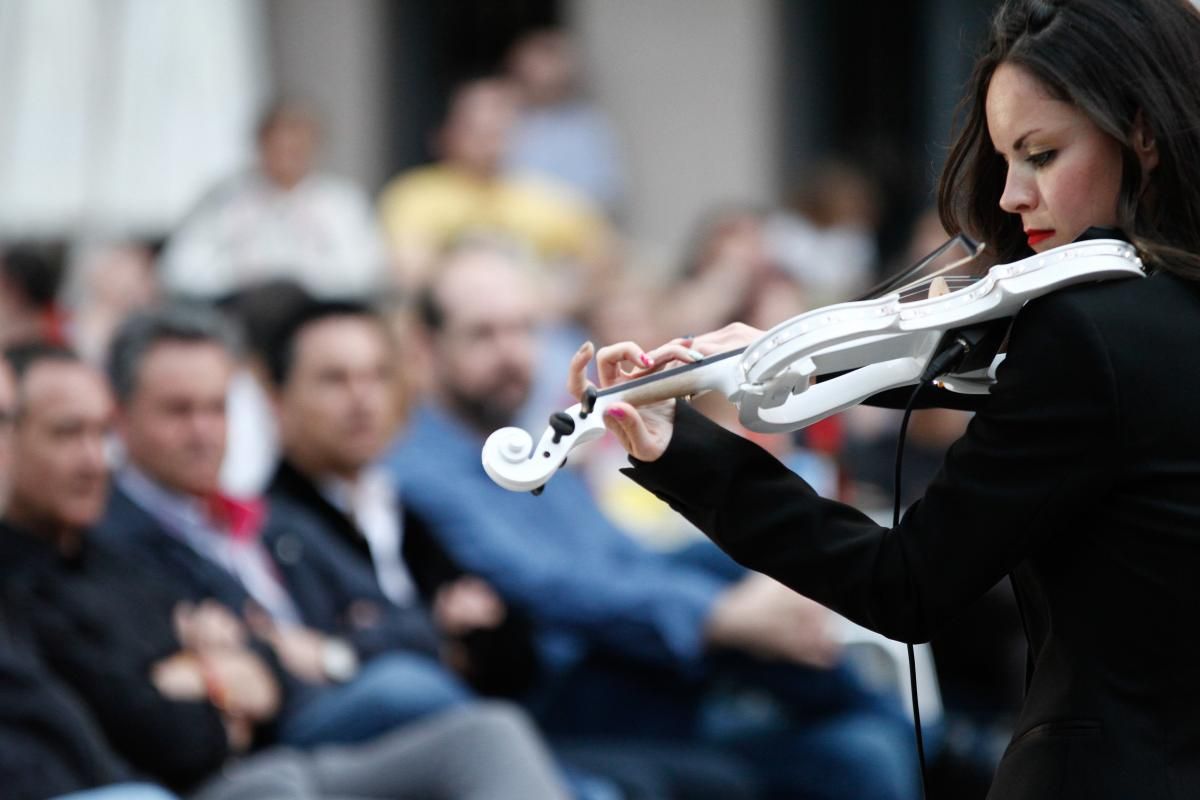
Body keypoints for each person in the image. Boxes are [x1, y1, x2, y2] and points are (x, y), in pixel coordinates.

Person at [574, 1, 1200, 797]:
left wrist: (681, 449)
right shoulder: (1144, 325)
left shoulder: (1085, 331)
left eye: (1040, 154)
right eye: (1006, 157)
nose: (1010, 194)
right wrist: (782, 361)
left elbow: (905, 583)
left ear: (1141, 132)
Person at [387, 241, 919, 800]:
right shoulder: (421, 468)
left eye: (523, 330)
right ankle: (925, 734)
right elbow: (549, 586)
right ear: (424, 348)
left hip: (644, 667)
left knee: (861, 738)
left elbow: (624, 557)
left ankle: (907, 726)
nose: (512, 353)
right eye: (483, 334)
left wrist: (749, 596)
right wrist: (717, 617)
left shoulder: (530, 445)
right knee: (861, 750)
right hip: (567, 693)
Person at [0, 342, 570, 800]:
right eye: (65, 434)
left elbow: (276, 656)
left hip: (282, 748)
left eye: (216, 408)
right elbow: (149, 729)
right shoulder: (114, 534)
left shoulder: (116, 550)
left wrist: (233, 669)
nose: (94, 458)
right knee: (400, 695)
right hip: (241, 767)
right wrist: (224, 679)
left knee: (486, 734)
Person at [94, 306, 475, 747]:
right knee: (416, 695)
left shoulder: (268, 519)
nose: (203, 432)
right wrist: (285, 652)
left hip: (355, 728)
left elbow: (414, 626)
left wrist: (335, 653)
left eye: (216, 408)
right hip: (281, 750)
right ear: (121, 418)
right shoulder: (112, 538)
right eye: (178, 411)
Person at [376, 78, 614, 316]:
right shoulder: (415, 195)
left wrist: (552, 300)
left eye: (501, 127)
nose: (491, 139)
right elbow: (410, 275)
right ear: (447, 132)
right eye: (478, 128)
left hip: (532, 327)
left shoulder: (546, 196)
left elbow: (607, 262)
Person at [160, 100, 387, 300]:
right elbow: (182, 269)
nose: (286, 157)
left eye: (296, 148)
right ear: (260, 144)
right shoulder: (223, 199)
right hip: (236, 310)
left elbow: (363, 272)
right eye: (278, 146)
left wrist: (301, 281)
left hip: (317, 315)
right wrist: (241, 278)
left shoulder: (342, 202)